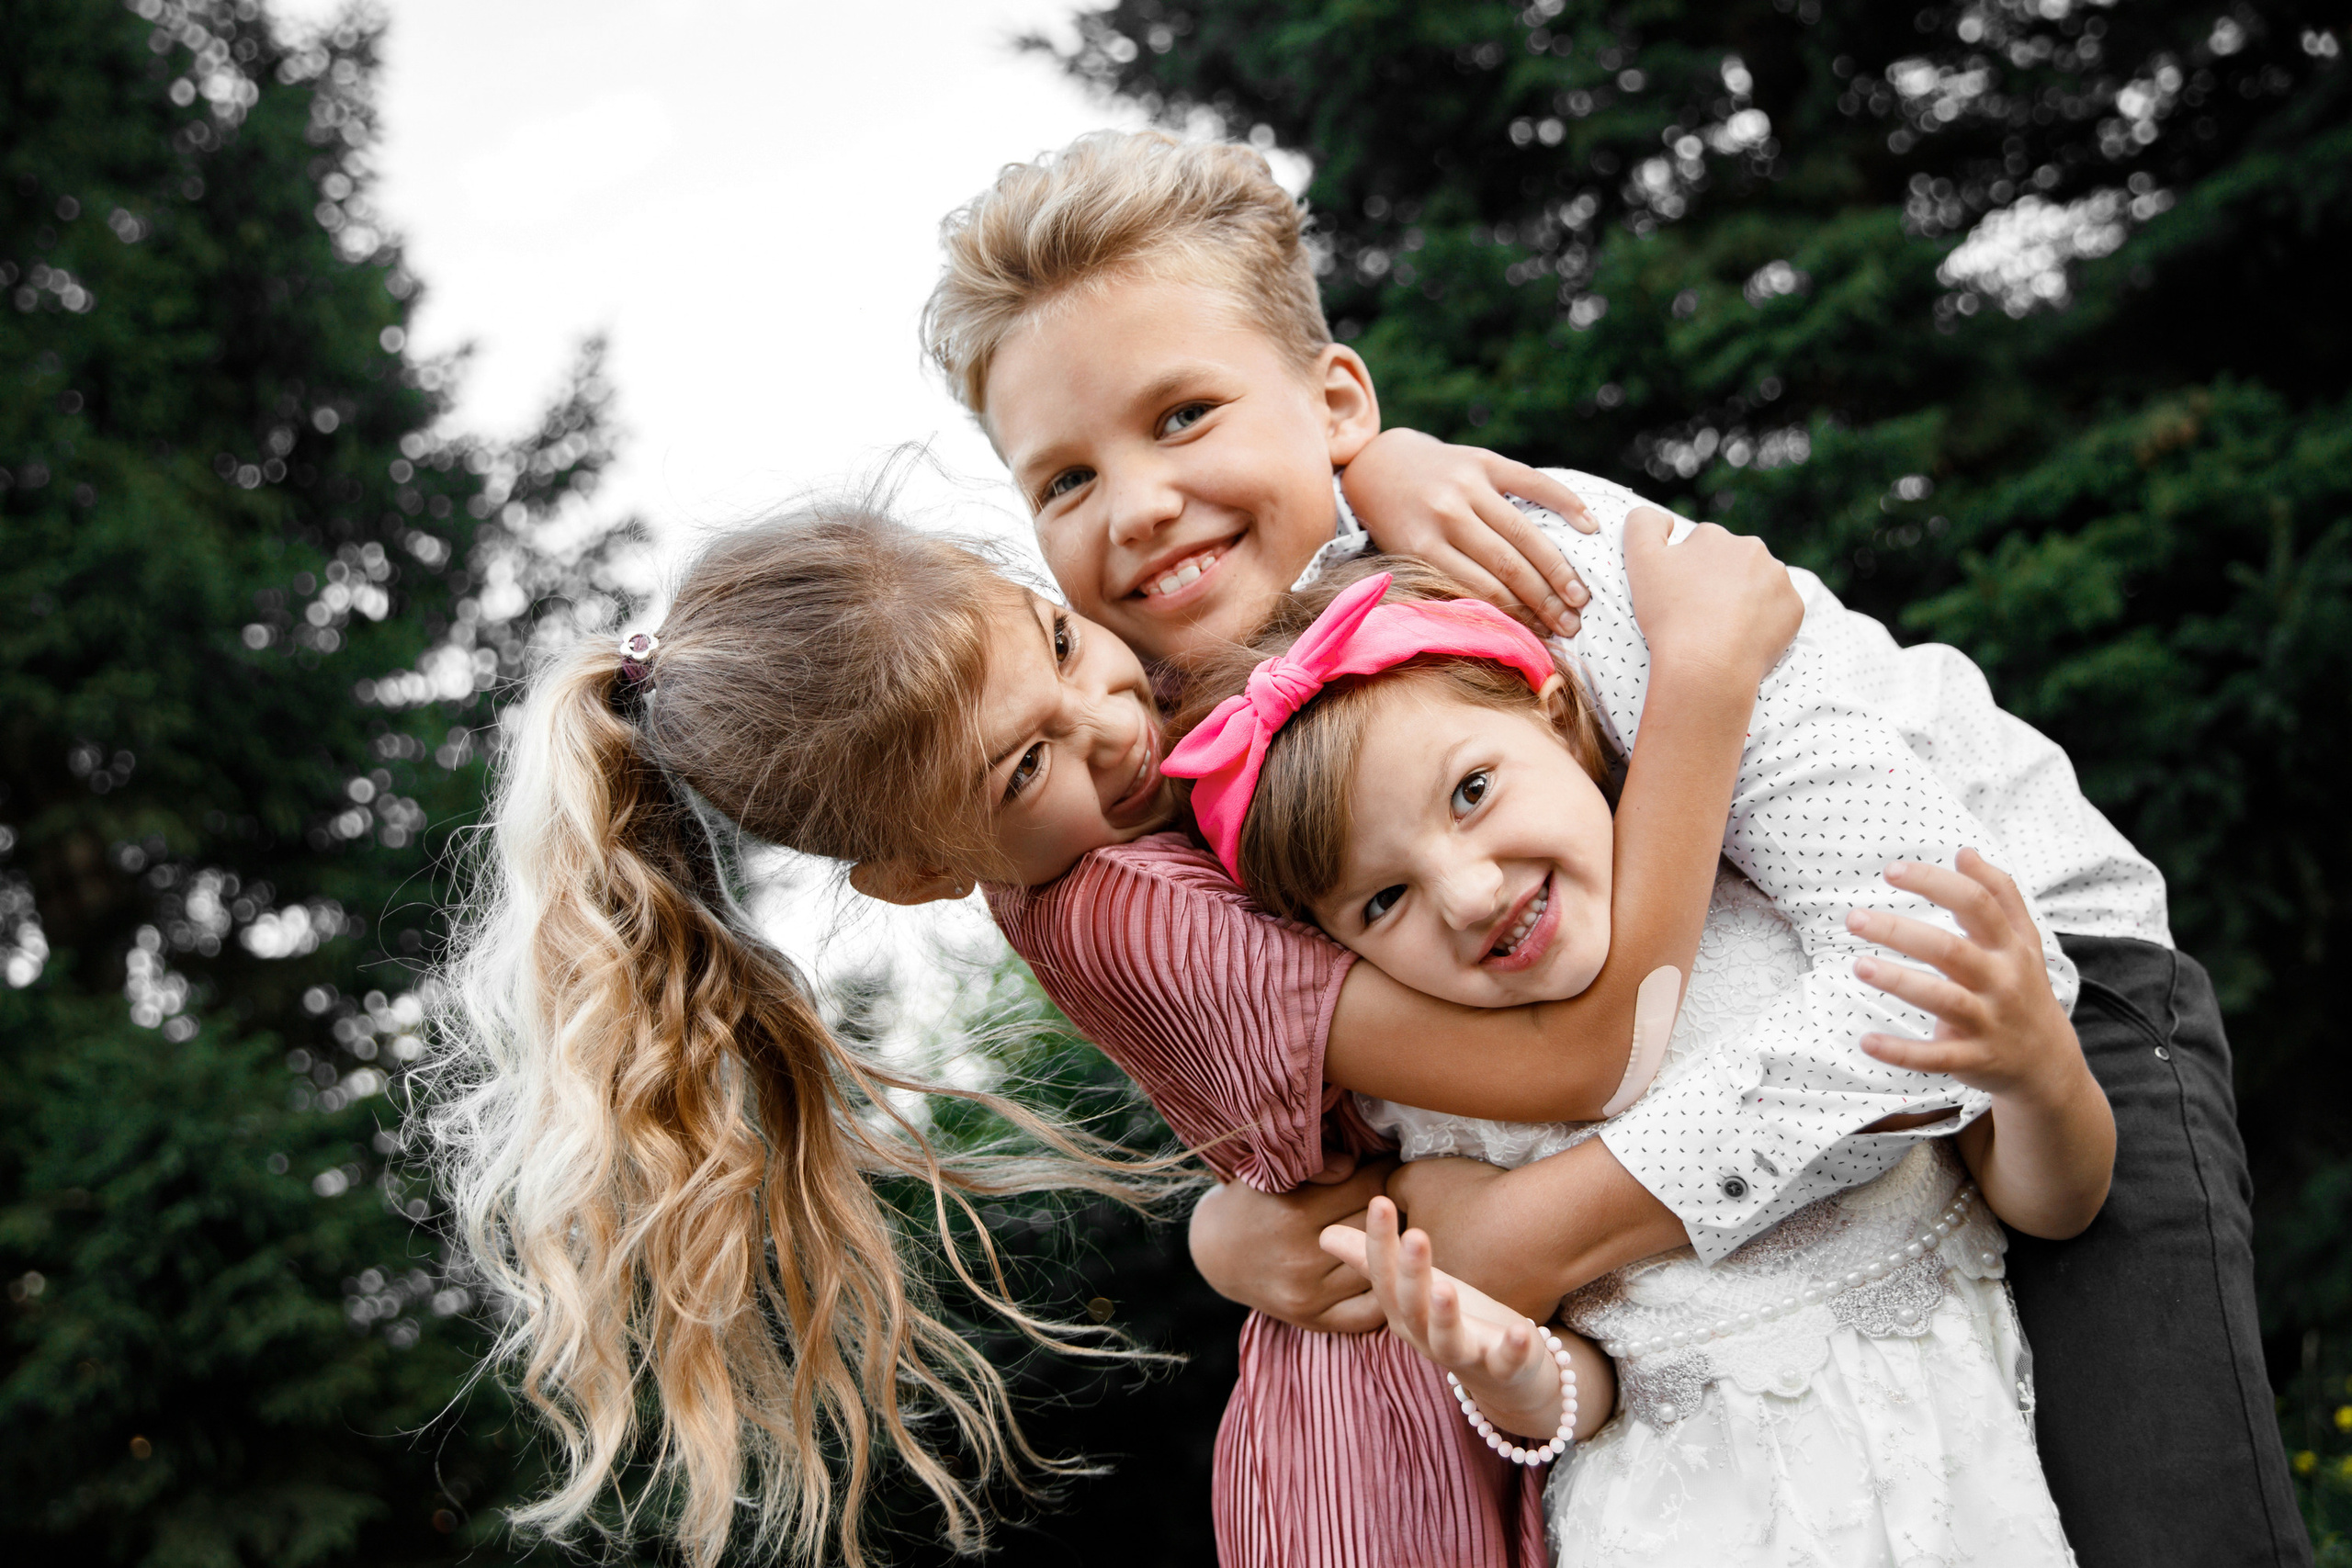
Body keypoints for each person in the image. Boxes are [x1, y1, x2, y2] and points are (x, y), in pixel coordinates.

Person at [924, 128, 2306, 1566]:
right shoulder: (1161, 762)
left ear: (1337, 400)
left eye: (1186, 413)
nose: (1137, 502)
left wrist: (1532, 1226)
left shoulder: (1546, 563)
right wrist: (1250, 1223)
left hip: (2061, 1000)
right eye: (1064, 480)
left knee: (2167, 1518)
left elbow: (1930, 956)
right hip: (1764, 1273)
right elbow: (1336, 1082)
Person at [1166, 563, 2107, 1562]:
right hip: (1683, 1517)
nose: (1468, 893)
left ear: (1561, 719)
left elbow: (2051, 1202)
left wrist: (2038, 1074)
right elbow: (1601, 1382)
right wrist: (1521, 1376)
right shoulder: (1451, 1115)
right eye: (1381, 901)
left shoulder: (1788, 929)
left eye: (1472, 792)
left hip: (1948, 1476)